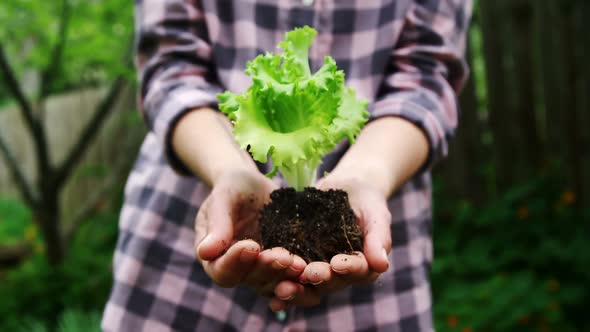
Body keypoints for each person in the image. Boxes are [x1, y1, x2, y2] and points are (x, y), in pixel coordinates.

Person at [102, 0, 471, 331]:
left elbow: (427, 75)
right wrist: (229, 169)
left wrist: (367, 174)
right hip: (180, 259)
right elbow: (171, 64)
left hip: (376, 274)